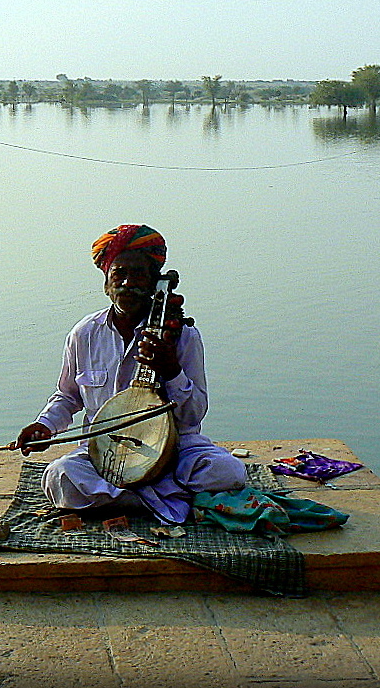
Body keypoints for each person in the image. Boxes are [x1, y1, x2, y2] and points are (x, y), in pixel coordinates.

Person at [14, 224, 247, 525]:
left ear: (154, 282)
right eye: (118, 274)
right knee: (59, 477)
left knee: (227, 472)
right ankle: (165, 500)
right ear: (106, 282)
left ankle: (126, 499)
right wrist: (44, 426)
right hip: (105, 451)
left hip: (174, 451)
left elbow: (194, 415)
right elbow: (68, 396)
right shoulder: (85, 333)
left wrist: (171, 369)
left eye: (138, 274)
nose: (127, 283)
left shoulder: (184, 336)